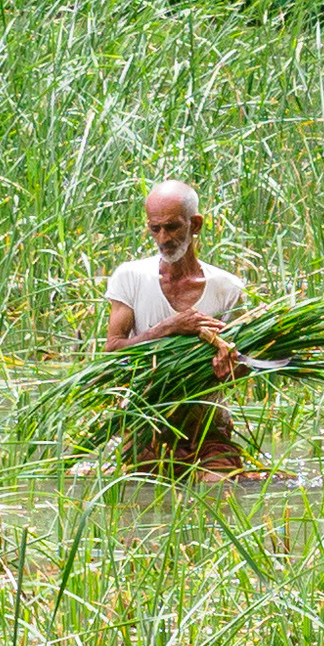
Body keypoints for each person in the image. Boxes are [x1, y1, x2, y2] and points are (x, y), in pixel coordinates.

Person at [103, 179, 254, 478]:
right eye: (155, 228)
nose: (163, 238)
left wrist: (230, 368)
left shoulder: (227, 288)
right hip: (147, 419)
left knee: (219, 485)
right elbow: (112, 350)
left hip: (206, 422)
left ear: (195, 225)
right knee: (141, 489)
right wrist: (166, 329)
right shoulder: (131, 277)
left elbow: (245, 362)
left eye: (172, 227)